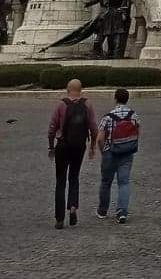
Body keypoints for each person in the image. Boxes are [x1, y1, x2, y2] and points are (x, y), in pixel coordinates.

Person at [47, 79, 97, 229]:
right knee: (74, 177)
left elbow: (52, 128)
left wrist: (51, 147)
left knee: (60, 181)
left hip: (63, 145)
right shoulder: (87, 104)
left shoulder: (61, 105)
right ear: (81, 90)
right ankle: (73, 206)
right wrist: (93, 146)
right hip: (79, 145)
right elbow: (94, 128)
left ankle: (60, 218)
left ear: (67, 89)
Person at [96, 87, 139, 224]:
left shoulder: (108, 116)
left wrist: (103, 151)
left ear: (115, 99)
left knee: (106, 182)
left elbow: (100, 138)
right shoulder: (134, 115)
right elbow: (137, 133)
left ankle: (102, 210)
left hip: (110, 151)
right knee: (124, 182)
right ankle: (122, 212)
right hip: (127, 152)